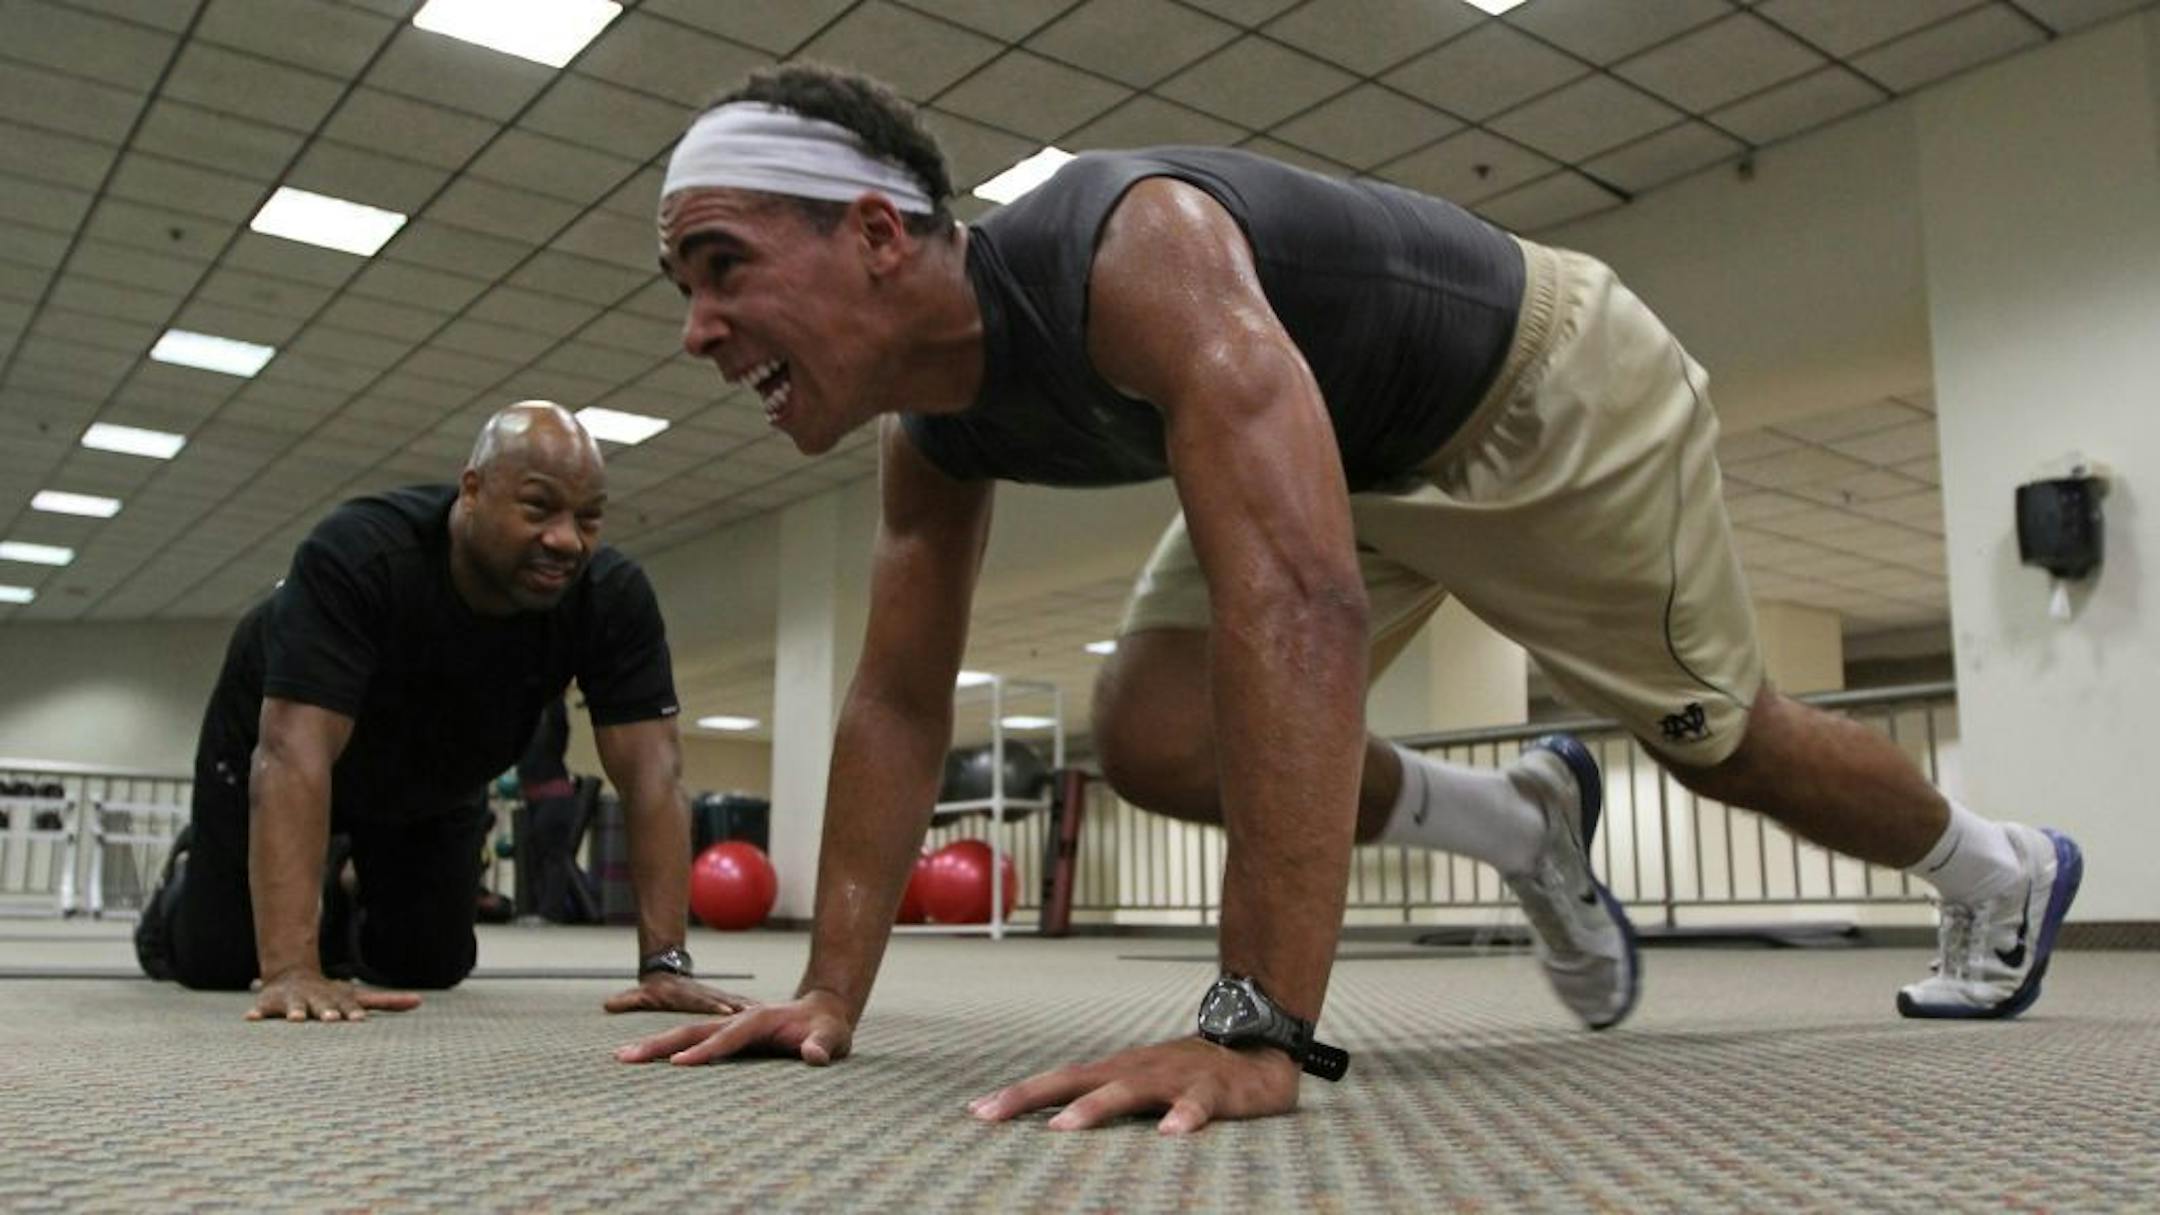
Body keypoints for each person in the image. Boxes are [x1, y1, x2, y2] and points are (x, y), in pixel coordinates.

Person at [617, 66, 2083, 1131]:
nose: (696, 329)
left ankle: (1998, 865)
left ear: (877, 233)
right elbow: (892, 696)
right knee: (1158, 733)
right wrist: (829, 993)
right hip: (1349, 444)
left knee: (1728, 739)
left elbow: (1303, 604)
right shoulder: (932, 440)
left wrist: (1259, 1025)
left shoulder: (1131, 248)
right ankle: (1523, 820)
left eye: (722, 267)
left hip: (1544, 394)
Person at [135, 402, 749, 1024]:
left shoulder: (609, 597)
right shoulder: (359, 553)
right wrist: (292, 968)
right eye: (538, 509)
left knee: (429, 964)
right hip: (286, 752)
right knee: (218, 962)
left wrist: (664, 963)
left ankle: (344, 890)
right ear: (473, 491)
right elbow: (294, 753)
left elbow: (654, 775)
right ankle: (194, 883)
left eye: (588, 520)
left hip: (434, 778)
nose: (566, 540)